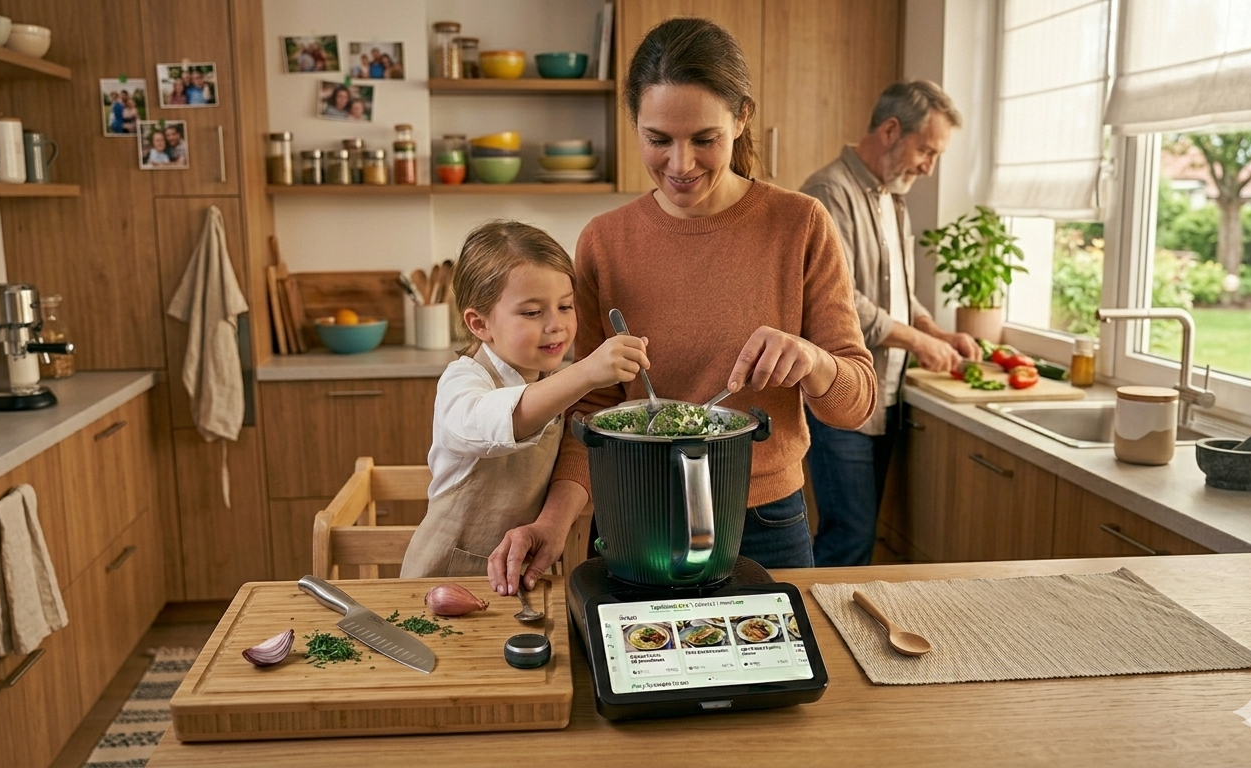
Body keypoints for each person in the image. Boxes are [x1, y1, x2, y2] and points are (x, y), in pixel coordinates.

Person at [486, 17, 878, 596]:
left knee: (769, 686)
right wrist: (553, 520)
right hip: (630, 519)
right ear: (635, 127)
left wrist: (813, 362)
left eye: (704, 139)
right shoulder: (604, 241)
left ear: (741, 117)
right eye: (657, 139)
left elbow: (857, 403)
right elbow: (592, 409)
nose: (680, 164)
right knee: (635, 680)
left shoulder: (800, 226)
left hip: (762, 523)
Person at [400, 220, 651, 579]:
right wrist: (586, 372)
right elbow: (492, 421)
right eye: (532, 312)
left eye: (565, 307)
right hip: (446, 577)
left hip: (515, 574)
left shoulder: (550, 378)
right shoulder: (463, 380)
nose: (556, 326)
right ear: (479, 323)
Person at [799, 80, 976, 567]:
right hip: (843, 396)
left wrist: (936, 332)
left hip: (887, 393)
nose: (928, 166)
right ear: (891, 130)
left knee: (859, 535)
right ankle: (820, 638)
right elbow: (839, 302)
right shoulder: (828, 193)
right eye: (926, 150)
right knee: (847, 537)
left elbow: (894, 292)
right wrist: (918, 340)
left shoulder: (892, 197)